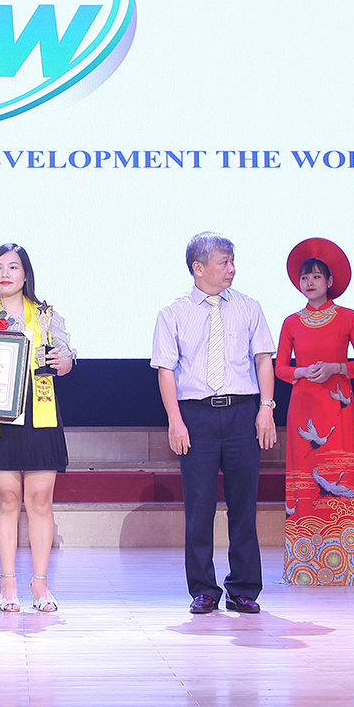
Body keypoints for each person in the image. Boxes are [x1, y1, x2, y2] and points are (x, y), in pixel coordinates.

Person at [151, 232, 278, 615]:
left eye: (232, 261)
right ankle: (204, 589)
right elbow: (166, 370)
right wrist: (175, 421)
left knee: (244, 505)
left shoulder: (249, 307)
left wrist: (266, 408)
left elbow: (263, 359)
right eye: (224, 262)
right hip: (196, 416)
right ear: (198, 267)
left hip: (242, 413)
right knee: (200, 507)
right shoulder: (173, 312)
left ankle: (243, 588)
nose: (231, 269)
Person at [0, 243, 76, 613]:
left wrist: (62, 362)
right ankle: (7, 581)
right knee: (7, 499)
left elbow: (67, 358)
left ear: (26, 275)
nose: (5, 274)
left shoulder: (45, 316)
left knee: (40, 500)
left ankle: (40, 583)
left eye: (13, 267)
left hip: (40, 414)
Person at [274, 238, 354, 586]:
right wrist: (301, 372)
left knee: (340, 476)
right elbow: (279, 368)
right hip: (303, 405)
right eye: (305, 277)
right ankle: (303, 567)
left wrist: (336, 367)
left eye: (317, 276)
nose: (310, 282)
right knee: (303, 479)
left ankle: (343, 567)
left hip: (337, 407)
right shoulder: (291, 322)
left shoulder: (348, 317)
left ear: (330, 281)